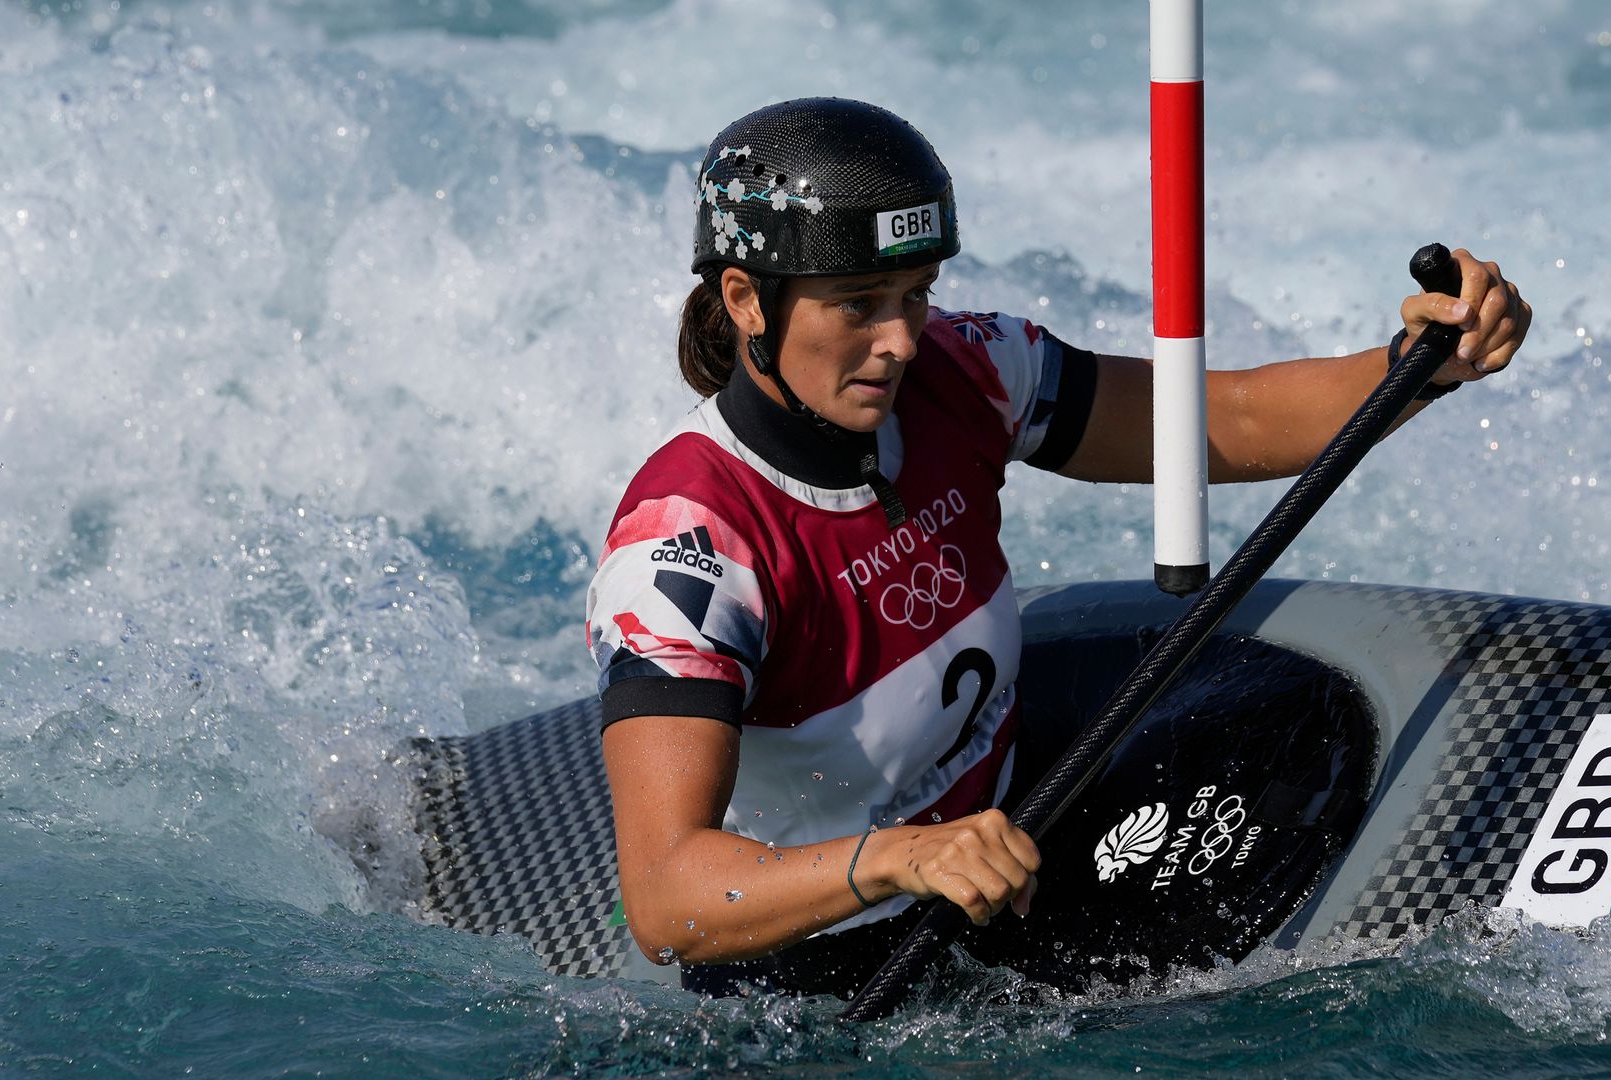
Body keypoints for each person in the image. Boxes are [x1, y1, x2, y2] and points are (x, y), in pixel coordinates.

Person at [587, 97, 1530, 997]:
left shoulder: (964, 369)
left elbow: (1224, 419)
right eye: (857, 304)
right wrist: (903, 860)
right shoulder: (686, 550)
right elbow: (669, 899)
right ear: (748, 299)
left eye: (916, 294)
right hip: (835, 960)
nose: (901, 341)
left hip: (1009, 805)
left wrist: (1417, 367)